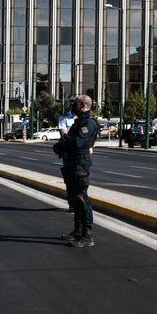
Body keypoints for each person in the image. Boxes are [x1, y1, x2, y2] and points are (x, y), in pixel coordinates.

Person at [53, 95, 99, 247]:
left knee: (82, 198)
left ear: (84, 105)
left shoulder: (88, 123)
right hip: (73, 162)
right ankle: (77, 231)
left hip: (80, 163)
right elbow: (68, 139)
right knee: (74, 199)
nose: (73, 105)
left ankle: (87, 235)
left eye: (76, 103)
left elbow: (77, 142)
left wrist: (62, 145)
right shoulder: (79, 122)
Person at [57, 102, 77, 211]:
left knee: (81, 179)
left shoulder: (84, 118)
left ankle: (80, 202)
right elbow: (64, 135)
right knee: (70, 179)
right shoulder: (64, 118)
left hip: (80, 153)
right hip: (69, 152)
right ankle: (72, 202)